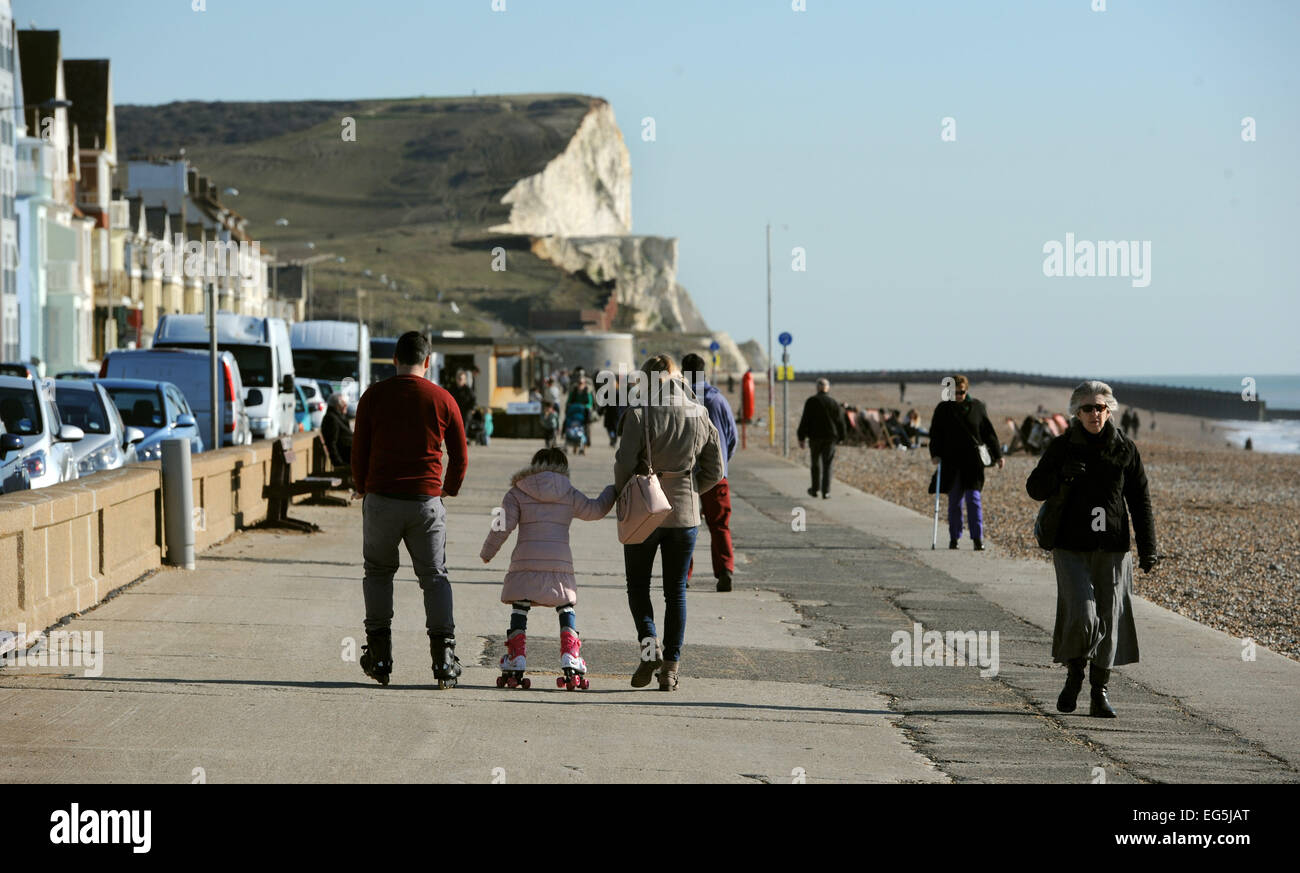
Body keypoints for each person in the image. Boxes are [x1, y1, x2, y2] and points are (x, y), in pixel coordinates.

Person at [1027, 380, 1156, 719]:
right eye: (1087, 408)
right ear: (1077, 412)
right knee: (1083, 615)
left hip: (1113, 549)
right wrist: (1061, 477)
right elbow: (1034, 487)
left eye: (1100, 407)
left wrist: (1148, 547)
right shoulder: (1062, 446)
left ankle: (1099, 692)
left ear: (1109, 409)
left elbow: (1140, 500)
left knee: (1110, 620)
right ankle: (1075, 674)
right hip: (1071, 547)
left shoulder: (1124, 448)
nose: (1094, 414)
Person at [351, 331, 469, 688]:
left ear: (394, 361)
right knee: (434, 577)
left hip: (382, 501)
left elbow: (359, 451)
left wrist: (362, 488)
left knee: (378, 573)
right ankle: (444, 659)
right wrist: (447, 489)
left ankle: (380, 656)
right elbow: (460, 456)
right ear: (428, 361)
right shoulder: (443, 399)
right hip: (425, 503)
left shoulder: (373, 396)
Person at [615, 354, 724, 691]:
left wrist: (625, 496)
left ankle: (650, 648)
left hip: (645, 511)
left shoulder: (639, 412)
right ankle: (671, 669)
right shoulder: (700, 412)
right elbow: (716, 470)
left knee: (638, 587)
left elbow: (623, 465)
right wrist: (691, 489)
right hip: (685, 512)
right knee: (676, 592)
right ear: (677, 378)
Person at [480, 447, 616, 690]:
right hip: (559, 564)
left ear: (534, 465)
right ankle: (570, 655)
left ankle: (516, 656)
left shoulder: (517, 491)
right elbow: (595, 510)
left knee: (520, 606)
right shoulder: (568, 492)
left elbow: (500, 525)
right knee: (565, 605)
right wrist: (612, 491)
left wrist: (487, 552)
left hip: (525, 562)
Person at [681, 353, 738, 592]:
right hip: (716, 475)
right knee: (720, 525)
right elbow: (732, 436)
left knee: (684, 527)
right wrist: (723, 462)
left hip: (685, 475)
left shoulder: (680, 399)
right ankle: (725, 570)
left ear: (684, 373)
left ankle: (683, 575)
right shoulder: (718, 400)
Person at [929, 374, 1003, 550]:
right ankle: (954, 538)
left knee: (974, 500)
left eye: (961, 392)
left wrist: (998, 455)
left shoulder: (977, 407)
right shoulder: (943, 408)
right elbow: (936, 434)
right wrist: (935, 453)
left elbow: (988, 432)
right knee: (954, 502)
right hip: (951, 463)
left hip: (973, 464)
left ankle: (978, 539)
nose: (958, 396)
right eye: (955, 392)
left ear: (966, 390)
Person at [797, 379, 847, 499]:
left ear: (817, 388)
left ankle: (815, 489)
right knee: (827, 464)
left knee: (815, 464)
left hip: (815, 437)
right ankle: (826, 492)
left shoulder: (811, 401)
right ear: (827, 388)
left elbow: (805, 420)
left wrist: (801, 437)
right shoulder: (833, 402)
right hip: (830, 438)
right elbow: (840, 422)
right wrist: (842, 437)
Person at [320, 393, 353, 468]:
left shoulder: (338, 417)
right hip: (346, 459)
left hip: (352, 456)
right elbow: (332, 443)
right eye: (344, 404)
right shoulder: (331, 419)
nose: (346, 406)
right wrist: (339, 463)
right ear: (337, 406)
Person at [567, 376, 596, 448]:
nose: (580, 384)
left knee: (586, 426)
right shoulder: (574, 391)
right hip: (575, 411)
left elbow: (590, 402)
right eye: (579, 383)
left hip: (584, 411)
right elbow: (569, 401)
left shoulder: (587, 391)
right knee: (568, 422)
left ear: (584, 383)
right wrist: (570, 405)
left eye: (582, 383)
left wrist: (585, 406)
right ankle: (566, 436)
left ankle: (587, 441)